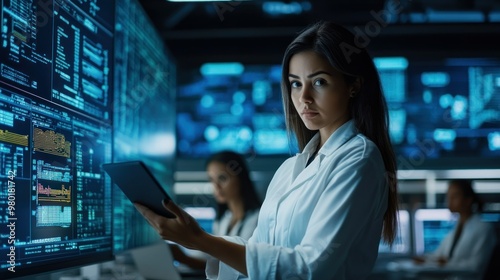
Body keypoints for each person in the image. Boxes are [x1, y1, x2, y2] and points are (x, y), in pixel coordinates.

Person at [134, 20, 399, 279]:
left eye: (319, 82)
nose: (304, 97)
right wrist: (197, 238)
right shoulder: (290, 168)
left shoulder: (360, 159)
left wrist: (201, 241)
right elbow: (260, 248)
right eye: (296, 83)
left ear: (353, 86)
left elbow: (310, 268)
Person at [171, 150, 261, 270]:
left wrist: (185, 258)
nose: (216, 187)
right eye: (212, 180)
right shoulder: (223, 219)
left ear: (240, 178)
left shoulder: (258, 219)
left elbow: (246, 265)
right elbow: (215, 261)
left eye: (222, 178)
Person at [413, 179, 497, 278]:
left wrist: (447, 264)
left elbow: (476, 266)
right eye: (448, 196)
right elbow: (440, 255)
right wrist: (426, 260)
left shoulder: (483, 228)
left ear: (468, 200)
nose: (449, 200)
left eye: (455, 196)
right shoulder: (456, 228)